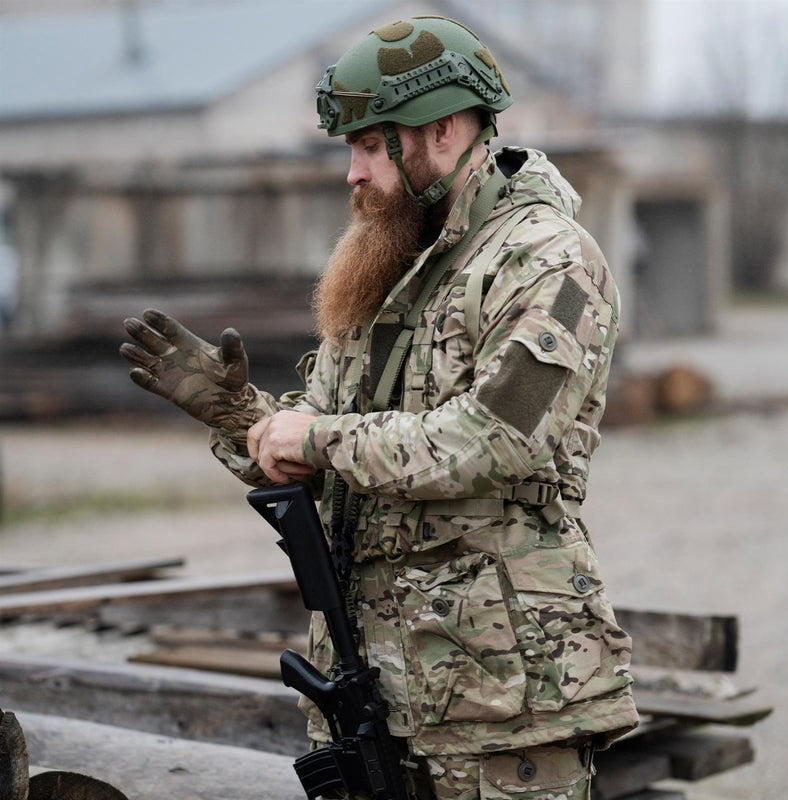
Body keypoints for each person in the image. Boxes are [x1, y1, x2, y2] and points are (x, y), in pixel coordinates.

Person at [121, 16, 638, 799]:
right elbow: (330, 458)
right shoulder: (388, 267)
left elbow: (494, 439)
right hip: (371, 693)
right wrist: (240, 416)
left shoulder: (548, 259)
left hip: (502, 703)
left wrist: (317, 436)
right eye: (351, 150)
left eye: (370, 146)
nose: (354, 174)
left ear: (442, 130)